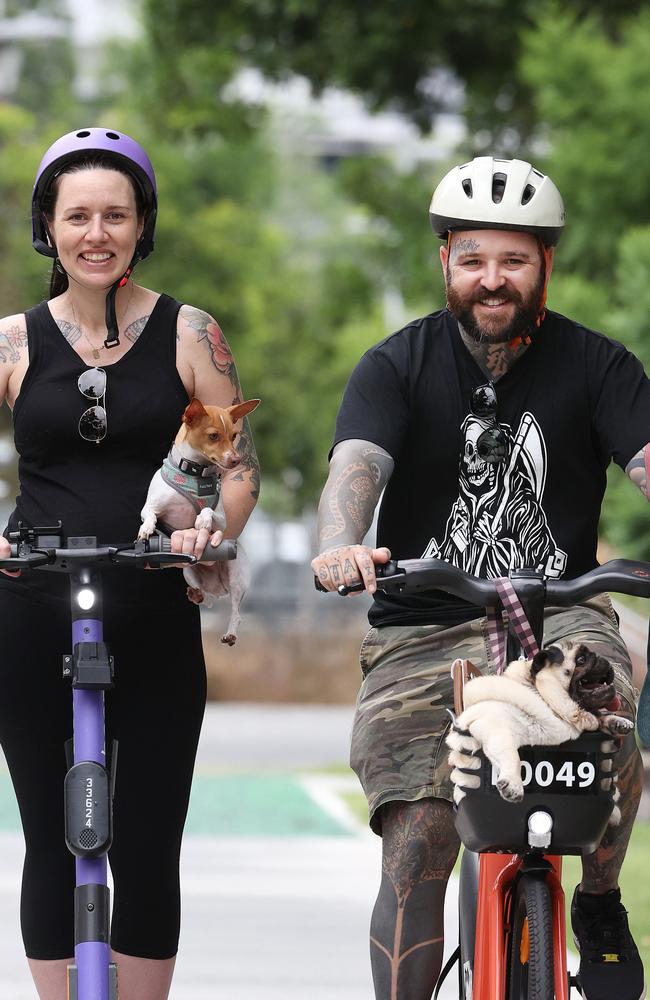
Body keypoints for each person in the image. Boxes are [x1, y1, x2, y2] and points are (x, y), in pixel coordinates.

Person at [311, 156, 650, 1000]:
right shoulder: (396, 365)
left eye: (513, 260)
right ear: (446, 263)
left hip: (563, 619)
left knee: (611, 732)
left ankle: (600, 903)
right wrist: (340, 544)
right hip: (422, 625)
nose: (492, 280)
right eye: (473, 260)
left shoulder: (600, 365)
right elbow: (356, 465)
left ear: (545, 265)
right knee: (422, 833)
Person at [0, 127, 259, 1000]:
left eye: (116, 215)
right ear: (50, 228)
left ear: (142, 224)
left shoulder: (192, 331)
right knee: (50, 836)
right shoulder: (12, 342)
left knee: (146, 840)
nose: (97, 233)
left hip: (151, 599)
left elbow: (239, 467)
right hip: (30, 604)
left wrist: (208, 531)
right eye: (78, 216)